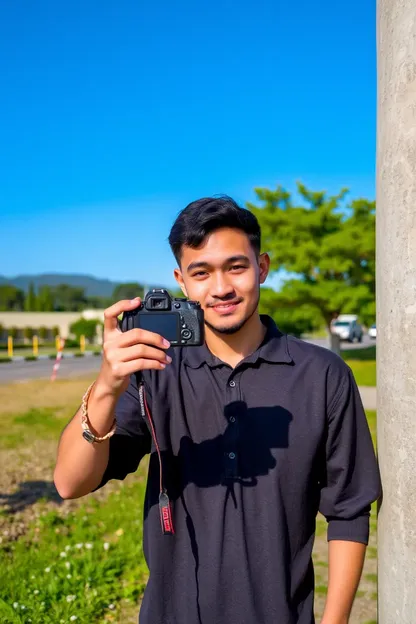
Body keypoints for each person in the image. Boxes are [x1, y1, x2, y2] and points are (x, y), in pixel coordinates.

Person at [54, 196, 381, 624]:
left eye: (236, 266)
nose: (221, 287)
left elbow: (348, 512)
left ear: (261, 267)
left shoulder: (323, 375)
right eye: (201, 272)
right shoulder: (155, 369)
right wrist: (106, 387)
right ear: (181, 281)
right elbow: (70, 482)